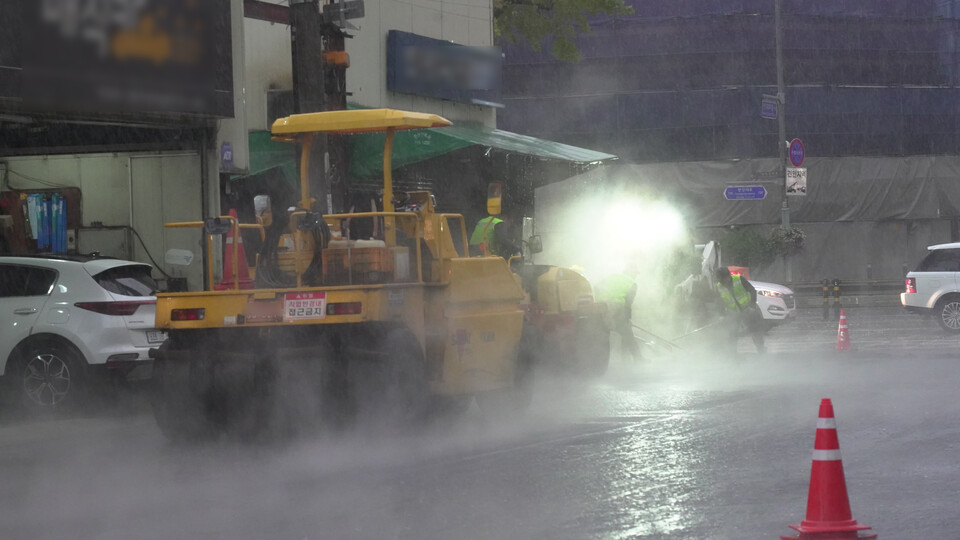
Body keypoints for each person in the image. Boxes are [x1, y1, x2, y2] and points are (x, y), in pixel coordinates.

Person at [714, 267, 765, 354]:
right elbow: (719, 302)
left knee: (755, 331)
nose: (722, 283)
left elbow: (752, 290)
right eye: (720, 281)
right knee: (732, 334)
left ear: (728, 276)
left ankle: (761, 350)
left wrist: (752, 306)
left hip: (748, 309)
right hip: (734, 312)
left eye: (723, 280)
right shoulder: (719, 287)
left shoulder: (739, 279)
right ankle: (733, 354)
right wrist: (721, 315)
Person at [595, 267, 641, 361]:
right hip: (616, 306)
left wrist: (598, 299)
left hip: (600, 306)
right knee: (627, 332)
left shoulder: (613, 276)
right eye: (635, 274)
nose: (635, 276)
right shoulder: (632, 283)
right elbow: (628, 303)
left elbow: (596, 287)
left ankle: (599, 359)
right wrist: (627, 317)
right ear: (632, 273)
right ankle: (636, 358)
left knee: (602, 332)